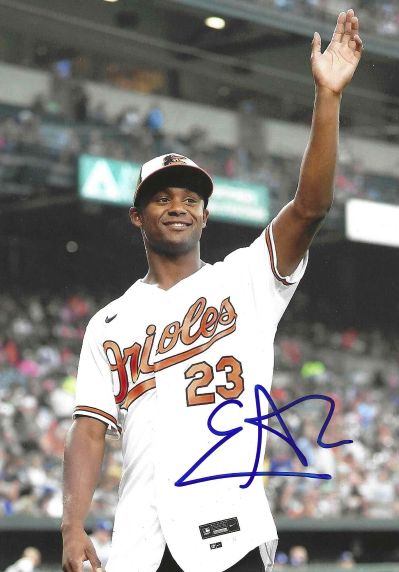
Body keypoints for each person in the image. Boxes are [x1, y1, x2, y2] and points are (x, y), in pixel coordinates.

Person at [61, 9, 363, 572]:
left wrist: (328, 98)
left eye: (190, 199)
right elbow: (90, 429)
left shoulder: (244, 279)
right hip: (141, 541)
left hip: (231, 532)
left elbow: (310, 208)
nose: (177, 206)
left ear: (205, 215)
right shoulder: (108, 323)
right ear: (137, 216)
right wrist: (72, 524)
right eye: (161, 197)